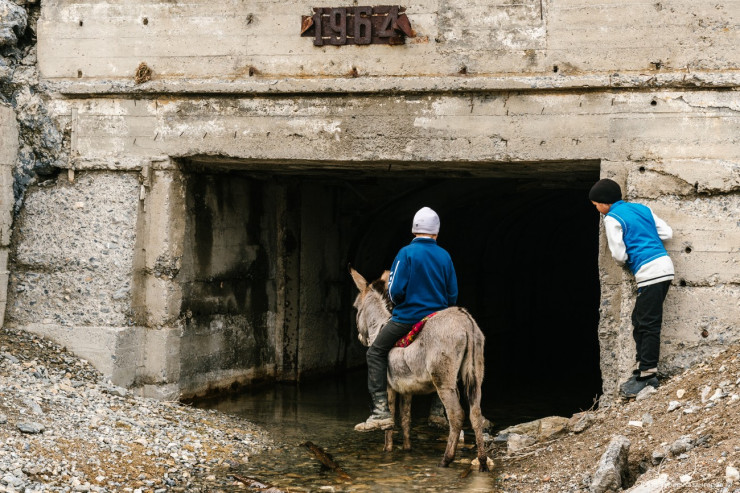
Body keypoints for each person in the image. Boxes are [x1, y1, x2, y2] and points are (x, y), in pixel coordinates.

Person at [355, 206, 458, 431]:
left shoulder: (405, 253)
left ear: (414, 230)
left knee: (375, 352)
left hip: (408, 318)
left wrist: (400, 303)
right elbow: (452, 293)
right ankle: (438, 411)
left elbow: (394, 290)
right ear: (436, 232)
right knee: (449, 357)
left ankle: (380, 412)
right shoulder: (445, 256)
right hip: (437, 319)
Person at [589, 178, 674, 398]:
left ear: (604, 203)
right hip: (664, 266)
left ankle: (648, 377)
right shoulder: (641, 208)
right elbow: (667, 233)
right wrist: (646, 237)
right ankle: (642, 369)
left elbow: (618, 254)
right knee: (639, 319)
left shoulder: (611, 218)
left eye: (596, 205)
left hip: (650, 271)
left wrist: (627, 262)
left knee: (648, 323)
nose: (596, 209)